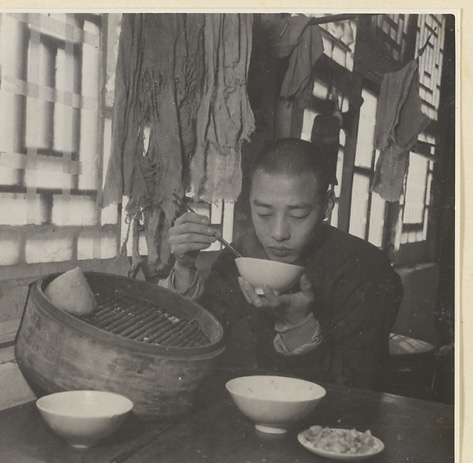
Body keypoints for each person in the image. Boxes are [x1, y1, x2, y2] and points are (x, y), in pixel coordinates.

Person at [163, 138, 403, 390]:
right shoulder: (238, 254)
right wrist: (185, 268)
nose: (278, 233)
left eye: (298, 215)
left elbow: (359, 390)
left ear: (327, 206)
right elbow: (197, 346)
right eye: (264, 213)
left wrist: (300, 324)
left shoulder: (364, 269)